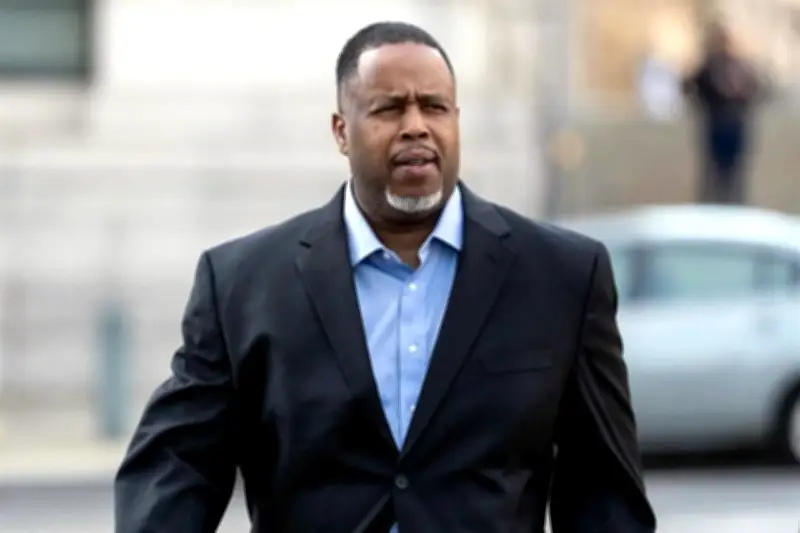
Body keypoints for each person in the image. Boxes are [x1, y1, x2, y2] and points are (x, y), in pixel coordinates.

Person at [114, 21, 656, 533]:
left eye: (435, 107)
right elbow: (177, 464)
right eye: (389, 108)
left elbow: (604, 492)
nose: (416, 126)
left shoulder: (562, 277)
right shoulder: (243, 284)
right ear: (341, 131)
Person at [682, 22, 762, 204]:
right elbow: (689, 87)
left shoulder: (740, 66)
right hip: (717, 122)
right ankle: (714, 204)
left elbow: (756, 89)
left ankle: (732, 203)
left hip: (735, 122)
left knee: (734, 173)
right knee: (715, 171)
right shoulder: (709, 67)